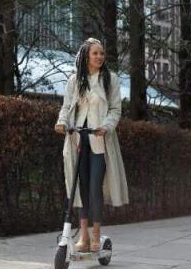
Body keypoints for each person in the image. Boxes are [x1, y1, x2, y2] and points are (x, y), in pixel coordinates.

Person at [54, 38, 128, 253]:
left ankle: (96, 234)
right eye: (95, 53)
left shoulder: (110, 79)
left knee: (95, 186)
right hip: (78, 138)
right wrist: (61, 123)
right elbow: (66, 107)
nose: (99, 57)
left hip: (99, 140)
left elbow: (115, 109)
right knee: (80, 187)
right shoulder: (75, 80)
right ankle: (83, 236)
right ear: (86, 56)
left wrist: (106, 127)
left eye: (102, 53)